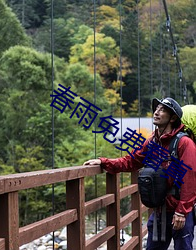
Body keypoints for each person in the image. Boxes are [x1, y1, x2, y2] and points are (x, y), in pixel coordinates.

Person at [83, 97, 196, 250]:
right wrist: (104, 162)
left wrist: (182, 212)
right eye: (156, 109)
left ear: (173, 118)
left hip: (179, 211)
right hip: (159, 210)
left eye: (162, 110)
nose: (156, 112)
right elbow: (131, 161)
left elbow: (190, 179)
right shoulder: (151, 142)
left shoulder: (184, 143)